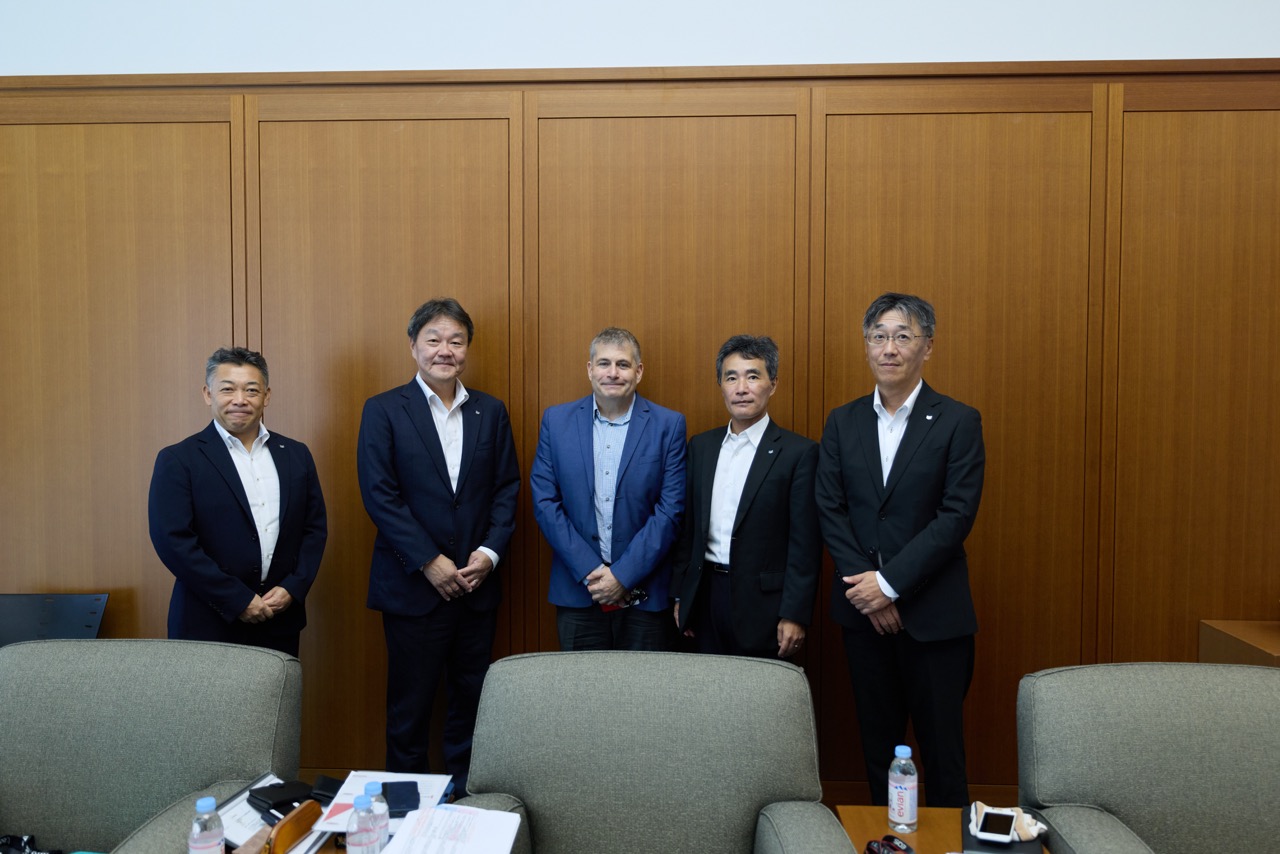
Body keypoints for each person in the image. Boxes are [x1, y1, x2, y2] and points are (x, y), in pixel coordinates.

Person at [816, 292, 985, 808]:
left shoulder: (958, 420)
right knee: (876, 748)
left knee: (942, 753)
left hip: (933, 618)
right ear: (867, 346)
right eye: (879, 336)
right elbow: (831, 508)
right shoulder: (842, 421)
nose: (889, 348)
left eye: (903, 336)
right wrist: (867, 590)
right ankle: (885, 842)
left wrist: (888, 587)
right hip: (862, 618)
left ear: (927, 347)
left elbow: (955, 517)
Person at [357, 298, 519, 792]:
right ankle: (406, 813)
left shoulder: (490, 411)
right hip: (412, 590)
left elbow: (507, 489)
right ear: (413, 346)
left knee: (470, 704)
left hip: (476, 588)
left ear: (467, 348)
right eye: (433, 339)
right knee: (409, 709)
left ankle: (466, 805)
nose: (444, 350)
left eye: (455, 340)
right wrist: (429, 561)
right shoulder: (384, 409)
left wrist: (488, 555)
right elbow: (379, 495)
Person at [149, 347, 327, 658]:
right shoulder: (179, 459)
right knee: (207, 708)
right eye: (227, 389)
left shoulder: (296, 455)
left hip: (279, 619)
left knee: (274, 708)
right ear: (208, 393)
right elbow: (172, 541)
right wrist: (237, 599)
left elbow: (314, 531)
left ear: (266, 396)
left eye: (251, 390)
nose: (240, 400)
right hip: (207, 621)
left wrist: (293, 588)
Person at [531, 327, 686, 651]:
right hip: (578, 593)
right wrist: (591, 571)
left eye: (622, 364)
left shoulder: (668, 426)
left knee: (643, 699)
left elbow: (670, 511)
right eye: (603, 363)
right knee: (583, 699)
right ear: (590, 369)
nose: (612, 373)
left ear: (638, 371)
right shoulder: (556, 422)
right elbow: (545, 502)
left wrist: (623, 576)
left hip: (644, 597)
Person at [671, 335, 821, 659]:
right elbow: (688, 530)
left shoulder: (799, 453)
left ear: (773, 384)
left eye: (753, 376)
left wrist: (794, 613)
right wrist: (682, 595)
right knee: (707, 697)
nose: (741, 388)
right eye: (731, 377)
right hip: (705, 595)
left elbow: (804, 544)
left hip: (765, 606)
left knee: (757, 703)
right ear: (721, 385)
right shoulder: (701, 446)